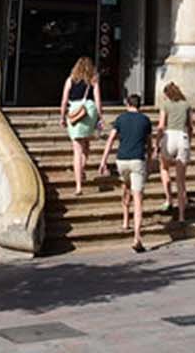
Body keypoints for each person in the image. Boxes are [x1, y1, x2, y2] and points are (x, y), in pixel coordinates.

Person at [97, 94, 153, 253]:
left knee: (125, 187)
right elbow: (149, 145)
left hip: (121, 161)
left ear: (127, 104)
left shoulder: (120, 119)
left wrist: (103, 161)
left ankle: (125, 220)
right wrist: (149, 163)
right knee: (138, 200)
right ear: (139, 105)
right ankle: (137, 237)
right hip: (137, 160)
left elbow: (111, 140)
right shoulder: (145, 120)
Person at [59, 57, 102, 195]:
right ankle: (82, 169)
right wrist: (100, 118)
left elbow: (64, 100)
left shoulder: (70, 79)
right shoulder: (93, 79)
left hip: (75, 112)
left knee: (77, 150)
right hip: (89, 112)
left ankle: (78, 186)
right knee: (86, 145)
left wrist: (62, 117)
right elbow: (98, 100)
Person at [156, 82, 194, 223]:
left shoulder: (165, 105)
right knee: (181, 180)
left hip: (169, 136)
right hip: (182, 137)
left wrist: (156, 144)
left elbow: (161, 126)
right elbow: (190, 126)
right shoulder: (186, 104)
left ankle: (168, 199)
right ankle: (182, 216)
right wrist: (189, 142)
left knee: (164, 167)